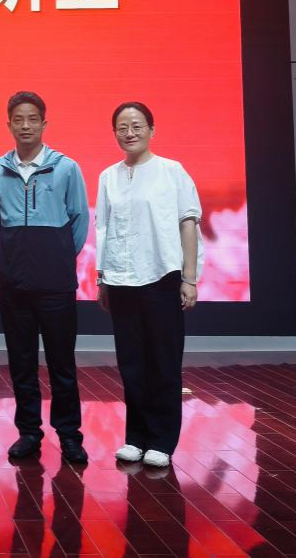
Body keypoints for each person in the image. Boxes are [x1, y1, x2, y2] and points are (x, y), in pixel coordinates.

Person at [96, 101, 202, 468]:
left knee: (163, 360)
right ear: (115, 133)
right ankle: (136, 437)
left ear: (151, 130)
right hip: (120, 280)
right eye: (122, 127)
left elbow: (188, 223)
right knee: (131, 363)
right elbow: (104, 229)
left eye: (137, 125)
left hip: (162, 277)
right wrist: (102, 278)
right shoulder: (108, 176)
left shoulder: (172, 172)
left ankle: (162, 440)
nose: (130, 132)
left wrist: (189, 277)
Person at [0, 91, 90, 464]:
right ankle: (29, 432)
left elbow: (79, 218)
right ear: (9, 124)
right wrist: (20, 254)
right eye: (18, 119)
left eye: (32, 119)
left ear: (44, 124)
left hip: (56, 283)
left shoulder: (66, 168)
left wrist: (57, 255)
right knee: (21, 362)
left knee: (62, 363)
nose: (25, 125)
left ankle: (69, 435)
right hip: (14, 283)